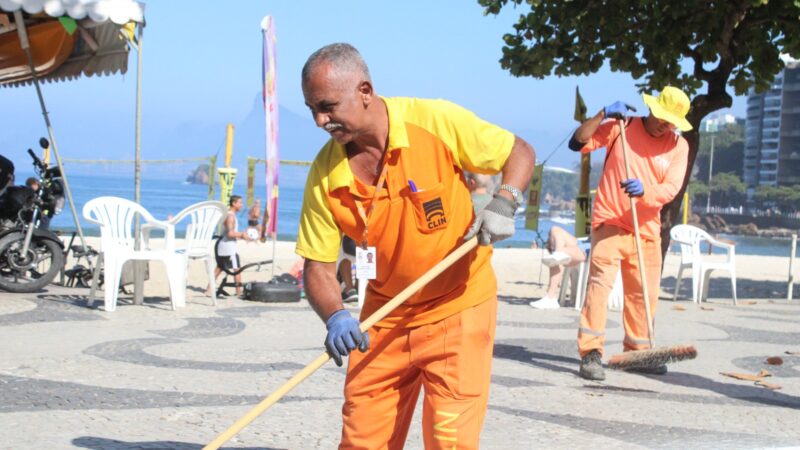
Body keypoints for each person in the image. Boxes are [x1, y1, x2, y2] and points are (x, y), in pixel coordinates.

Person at [295, 43, 535, 449]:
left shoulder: (434, 121)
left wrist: (505, 200)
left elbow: (519, 152)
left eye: (328, 106)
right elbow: (317, 266)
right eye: (311, 109)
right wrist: (336, 315)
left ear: (365, 91)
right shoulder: (324, 174)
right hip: (384, 316)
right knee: (361, 439)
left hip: (458, 306)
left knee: (450, 441)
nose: (320, 120)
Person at [570, 86, 691, 381]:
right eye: (663, 117)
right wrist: (601, 114)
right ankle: (591, 354)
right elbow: (578, 142)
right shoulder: (620, 129)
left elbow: (672, 188)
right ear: (652, 109)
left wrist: (646, 191)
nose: (666, 124)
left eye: (672, 121)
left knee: (643, 296)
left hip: (647, 229)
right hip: (610, 223)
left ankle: (637, 354)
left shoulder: (679, 146)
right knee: (599, 289)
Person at [528, 225, 587, 310]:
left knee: (559, 252)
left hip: (594, 244)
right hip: (585, 241)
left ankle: (550, 297)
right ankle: (558, 254)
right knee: (555, 230)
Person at [210, 194, 251, 296]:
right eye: (240, 203)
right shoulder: (230, 216)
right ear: (234, 203)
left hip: (224, 245)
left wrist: (242, 234)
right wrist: (242, 235)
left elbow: (230, 232)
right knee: (237, 268)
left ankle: (208, 290)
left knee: (219, 268)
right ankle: (238, 292)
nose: (242, 205)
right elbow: (230, 233)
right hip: (228, 247)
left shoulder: (229, 215)